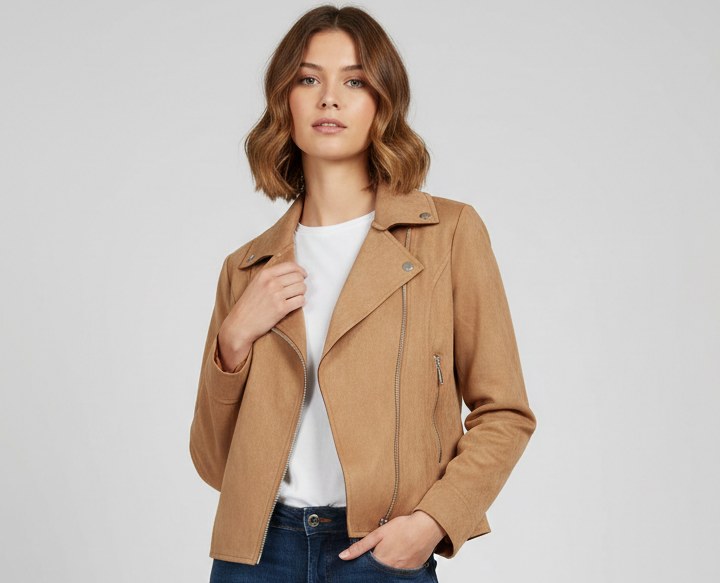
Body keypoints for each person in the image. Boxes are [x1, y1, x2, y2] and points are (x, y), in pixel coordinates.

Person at [189, 5, 537, 582]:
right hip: (255, 555)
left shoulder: (447, 234)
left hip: (379, 551)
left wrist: (431, 522)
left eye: (354, 81)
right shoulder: (246, 268)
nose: (329, 99)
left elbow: (505, 412)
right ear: (284, 102)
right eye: (308, 79)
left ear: (382, 102)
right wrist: (232, 342)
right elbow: (213, 463)